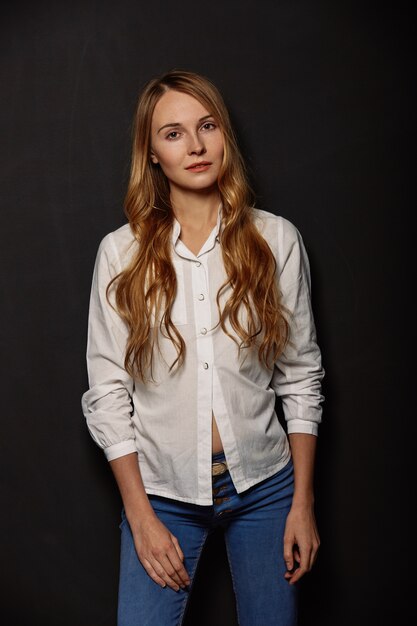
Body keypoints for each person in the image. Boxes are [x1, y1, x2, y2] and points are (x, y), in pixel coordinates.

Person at [81, 68, 325, 626]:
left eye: (207, 126)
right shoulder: (121, 255)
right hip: (162, 493)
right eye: (173, 133)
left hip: (266, 489)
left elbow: (300, 376)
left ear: (224, 136)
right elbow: (108, 391)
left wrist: (302, 502)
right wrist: (140, 517)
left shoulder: (276, 240)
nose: (195, 146)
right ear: (151, 153)